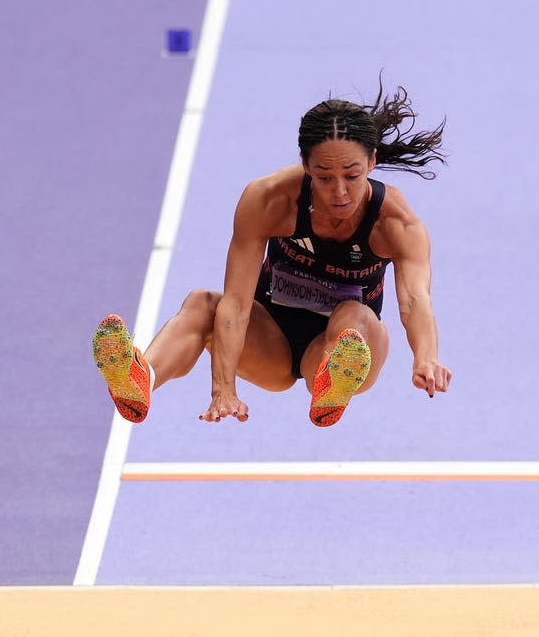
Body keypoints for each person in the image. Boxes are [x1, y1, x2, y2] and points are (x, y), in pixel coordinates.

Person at [92, 78, 452, 428]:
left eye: (352, 176)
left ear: (372, 163)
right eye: (324, 177)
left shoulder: (395, 223)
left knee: (353, 316)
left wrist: (426, 358)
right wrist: (224, 388)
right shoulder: (269, 201)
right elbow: (236, 301)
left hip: (343, 345)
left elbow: (415, 300)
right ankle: (140, 380)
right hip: (270, 341)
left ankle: (333, 383)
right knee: (203, 303)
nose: (339, 191)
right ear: (306, 164)